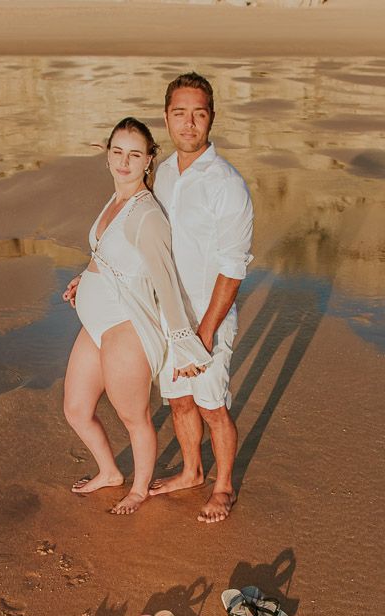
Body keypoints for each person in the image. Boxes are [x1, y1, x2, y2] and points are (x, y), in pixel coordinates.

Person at [61, 117, 213, 515]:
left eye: (134, 154)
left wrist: (184, 344)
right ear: (107, 155)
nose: (124, 162)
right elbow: (110, 255)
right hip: (95, 324)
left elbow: (166, 283)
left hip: (125, 328)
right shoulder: (116, 200)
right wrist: (84, 278)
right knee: (76, 409)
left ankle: (140, 488)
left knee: (134, 418)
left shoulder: (147, 216)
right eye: (117, 152)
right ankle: (110, 472)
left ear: (149, 160)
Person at [148, 73, 256, 524]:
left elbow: (233, 268)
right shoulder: (163, 173)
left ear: (211, 118)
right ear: (167, 118)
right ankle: (192, 471)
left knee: (212, 406)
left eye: (198, 114)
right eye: (180, 114)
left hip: (209, 316)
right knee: (178, 401)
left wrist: (204, 334)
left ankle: (223, 485)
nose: (189, 124)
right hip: (168, 314)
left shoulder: (227, 184)